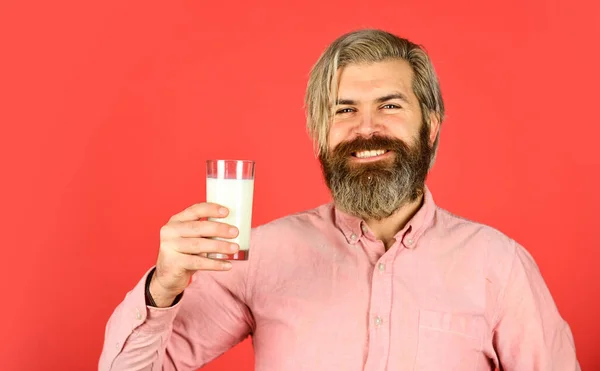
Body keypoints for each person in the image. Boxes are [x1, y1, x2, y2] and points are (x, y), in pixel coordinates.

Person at [99, 29, 580, 371]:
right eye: (344, 110)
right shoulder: (262, 255)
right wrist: (162, 288)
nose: (366, 129)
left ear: (431, 126)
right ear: (318, 136)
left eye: (389, 106)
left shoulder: (498, 264)